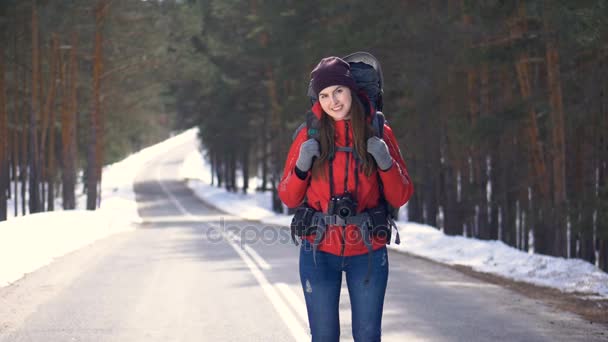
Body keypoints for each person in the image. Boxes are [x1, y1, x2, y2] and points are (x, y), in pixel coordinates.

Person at [278, 56, 414, 342]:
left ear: (351, 89)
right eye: (325, 95)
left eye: (338, 90)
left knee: (367, 336)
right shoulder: (308, 134)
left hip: (367, 252)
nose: (333, 101)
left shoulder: (379, 131)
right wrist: (302, 166)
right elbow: (288, 196)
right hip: (318, 253)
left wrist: (385, 163)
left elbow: (401, 195)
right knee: (324, 337)